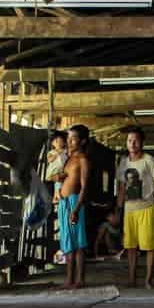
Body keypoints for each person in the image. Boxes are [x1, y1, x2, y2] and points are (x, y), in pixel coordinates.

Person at [116, 125, 154, 288]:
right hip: (129, 210)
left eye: (136, 140)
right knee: (130, 246)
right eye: (129, 140)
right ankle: (131, 279)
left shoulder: (149, 161)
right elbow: (121, 187)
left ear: (142, 142)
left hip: (146, 208)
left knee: (149, 245)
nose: (132, 143)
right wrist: (119, 209)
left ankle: (148, 279)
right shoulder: (123, 163)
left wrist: (148, 193)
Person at [58, 124, 91, 289]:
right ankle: (68, 279)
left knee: (78, 244)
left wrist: (76, 209)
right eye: (68, 138)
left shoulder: (83, 160)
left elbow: (84, 187)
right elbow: (66, 179)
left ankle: (80, 279)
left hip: (74, 203)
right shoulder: (68, 158)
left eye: (73, 138)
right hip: (63, 203)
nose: (69, 141)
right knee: (67, 244)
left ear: (83, 141)